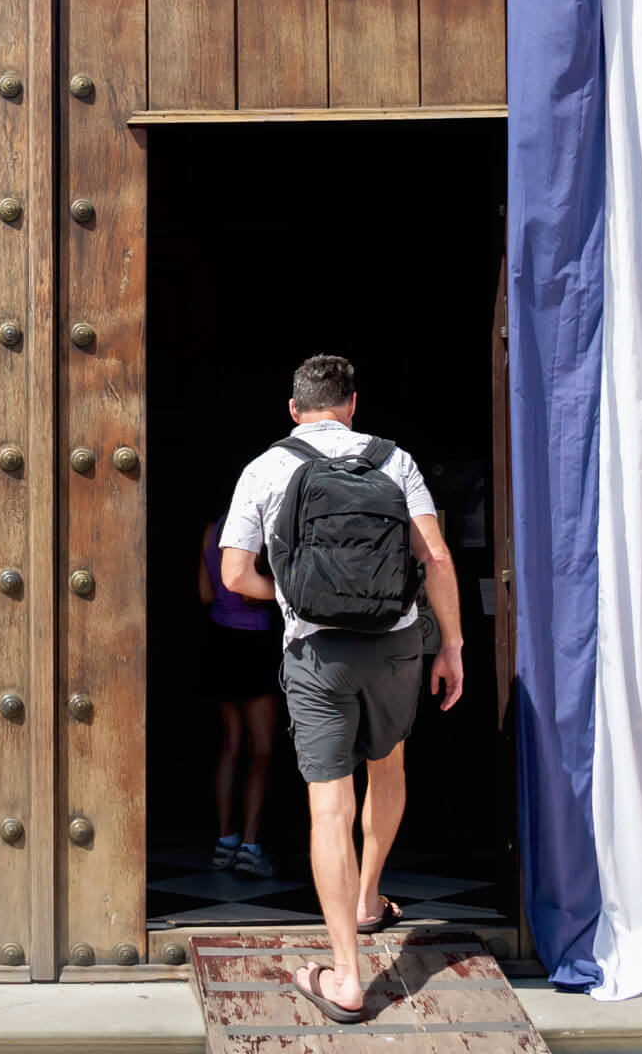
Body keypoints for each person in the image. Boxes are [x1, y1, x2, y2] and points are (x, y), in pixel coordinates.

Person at [220, 354, 463, 1026]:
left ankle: (348, 978)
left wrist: (296, 597)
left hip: (317, 653)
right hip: (396, 644)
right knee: (389, 765)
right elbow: (434, 555)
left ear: (294, 410)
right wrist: (452, 644)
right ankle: (369, 898)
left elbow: (235, 575)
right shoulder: (395, 460)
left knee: (329, 805)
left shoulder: (266, 468)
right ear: (353, 404)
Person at [197, 511, 282, 877]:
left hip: (220, 640)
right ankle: (251, 845)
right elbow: (252, 590)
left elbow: (205, 593)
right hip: (254, 641)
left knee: (231, 745)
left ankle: (224, 840)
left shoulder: (210, 530)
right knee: (261, 749)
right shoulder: (257, 530)